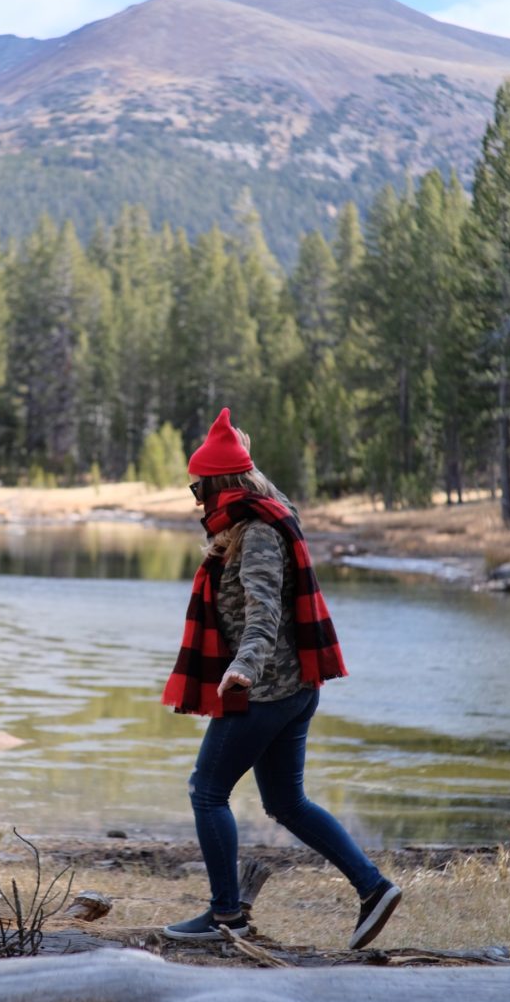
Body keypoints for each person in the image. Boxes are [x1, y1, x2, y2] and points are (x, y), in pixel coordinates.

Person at [161, 407, 401, 950]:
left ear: (222, 485)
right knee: (286, 804)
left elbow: (264, 610)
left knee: (206, 791)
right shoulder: (262, 516)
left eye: (200, 490)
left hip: (264, 691)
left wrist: (243, 665)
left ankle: (226, 916)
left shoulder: (258, 533)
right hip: (295, 691)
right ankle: (374, 888)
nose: (198, 501)